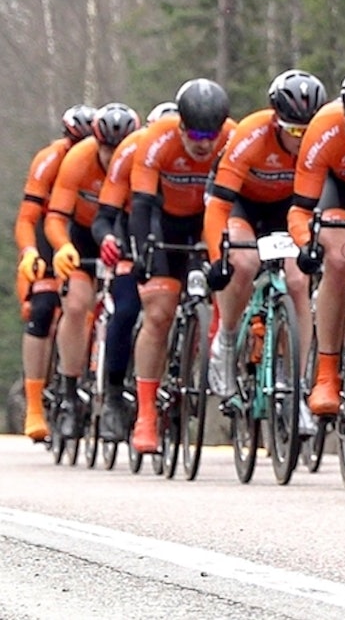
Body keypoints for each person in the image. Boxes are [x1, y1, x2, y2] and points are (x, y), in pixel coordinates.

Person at [205, 69, 327, 438]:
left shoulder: (318, 139)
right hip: (242, 204)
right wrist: (216, 258)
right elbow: (218, 205)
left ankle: (297, 387)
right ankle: (226, 342)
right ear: (276, 121)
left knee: (298, 280)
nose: (299, 140)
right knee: (243, 263)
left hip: (288, 209)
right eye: (292, 132)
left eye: (305, 133)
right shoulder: (251, 135)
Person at [128, 79, 234, 453]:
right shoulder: (157, 140)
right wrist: (141, 252)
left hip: (207, 219)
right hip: (164, 223)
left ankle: (216, 348)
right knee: (159, 312)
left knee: (231, 273)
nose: (204, 142)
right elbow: (141, 205)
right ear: (181, 126)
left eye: (212, 133)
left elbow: (231, 201)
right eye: (196, 133)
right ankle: (145, 416)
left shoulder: (231, 139)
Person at [43, 103, 141, 439]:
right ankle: (69, 394)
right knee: (76, 303)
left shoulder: (139, 157)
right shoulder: (78, 159)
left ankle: (119, 387)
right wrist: (63, 247)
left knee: (131, 305)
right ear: (96, 143)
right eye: (107, 148)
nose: (114, 156)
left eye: (120, 148)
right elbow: (55, 215)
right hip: (83, 234)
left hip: (122, 229)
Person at [90, 101, 180, 442]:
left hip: (174, 232)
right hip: (132, 230)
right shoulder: (131, 156)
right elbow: (105, 216)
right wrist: (110, 239)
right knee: (126, 309)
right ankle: (114, 395)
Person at [286, 63, 345, 419]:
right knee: (338, 259)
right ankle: (326, 374)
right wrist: (306, 243)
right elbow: (300, 208)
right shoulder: (325, 126)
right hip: (340, 195)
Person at [12, 103, 96, 441]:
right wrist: (30, 252)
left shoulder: (108, 162)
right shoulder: (49, 161)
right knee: (44, 308)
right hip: (50, 233)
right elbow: (27, 219)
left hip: (87, 232)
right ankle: (34, 406)